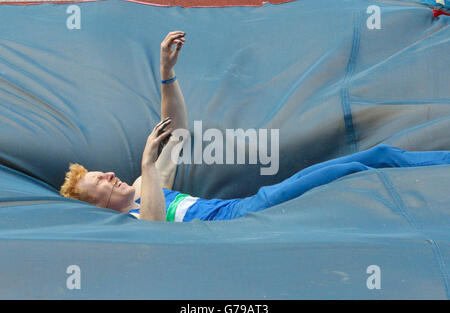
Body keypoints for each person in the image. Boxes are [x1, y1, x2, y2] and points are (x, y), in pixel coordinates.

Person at [60, 31, 450, 222]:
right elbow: (156, 233)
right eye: (101, 181)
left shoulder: (146, 188)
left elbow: (176, 132)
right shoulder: (129, 223)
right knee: (362, 166)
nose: (110, 174)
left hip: (249, 206)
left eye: (104, 173)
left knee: (375, 156)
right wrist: (147, 164)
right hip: (244, 219)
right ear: (95, 205)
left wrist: (166, 74)